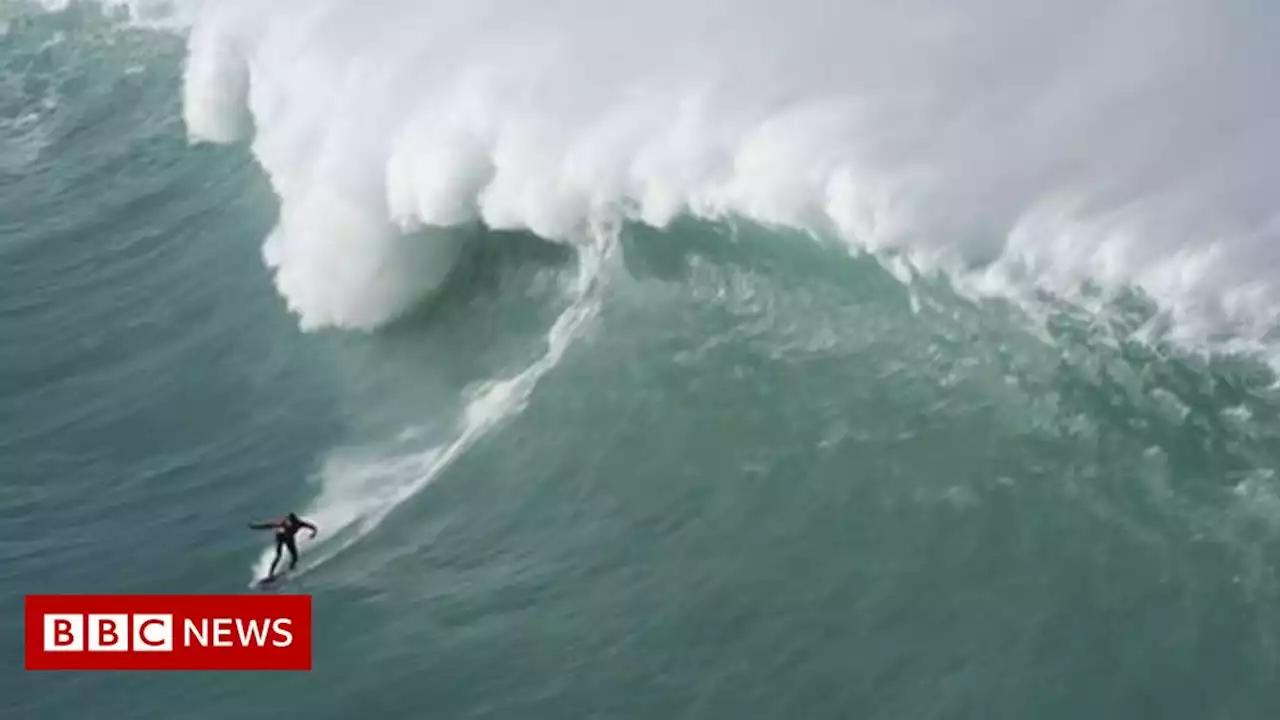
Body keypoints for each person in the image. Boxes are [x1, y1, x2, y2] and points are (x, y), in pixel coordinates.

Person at [249, 512, 318, 579]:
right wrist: (256, 527)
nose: (290, 522)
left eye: (292, 521)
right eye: (290, 521)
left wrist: (313, 533)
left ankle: (291, 568)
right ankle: (270, 574)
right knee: (278, 556)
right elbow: (269, 525)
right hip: (281, 538)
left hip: (290, 539)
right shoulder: (285, 523)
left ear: (295, 520)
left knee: (295, 557)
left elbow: (313, 527)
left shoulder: (300, 523)